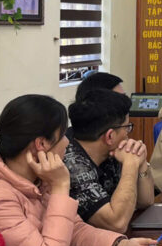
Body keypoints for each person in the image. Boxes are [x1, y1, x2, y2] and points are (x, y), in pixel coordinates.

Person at [0, 95, 160, 246]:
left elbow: (75, 231)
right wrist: (60, 187)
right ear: (41, 144)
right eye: (63, 134)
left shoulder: (38, 176)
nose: (67, 141)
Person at [64, 89, 155, 232]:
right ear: (110, 136)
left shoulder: (110, 151)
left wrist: (141, 162)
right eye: (127, 127)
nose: (128, 134)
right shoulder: (72, 165)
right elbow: (117, 224)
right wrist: (131, 165)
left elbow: (146, 201)